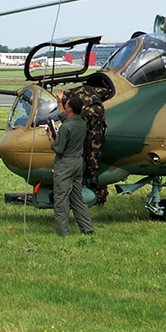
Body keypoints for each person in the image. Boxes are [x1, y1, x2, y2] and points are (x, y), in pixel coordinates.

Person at [48, 96, 94, 236]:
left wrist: (51, 138)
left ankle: (62, 232)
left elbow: (59, 149)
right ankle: (87, 228)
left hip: (65, 164)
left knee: (61, 198)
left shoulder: (65, 127)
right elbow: (64, 117)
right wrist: (59, 101)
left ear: (70, 109)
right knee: (77, 197)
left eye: (66, 105)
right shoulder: (81, 123)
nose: (65, 107)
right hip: (77, 162)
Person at [58, 85, 109, 203]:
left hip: (84, 112)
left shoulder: (69, 93)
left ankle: (83, 177)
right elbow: (107, 93)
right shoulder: (96, 90)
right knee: (95, 145)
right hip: (97, 110)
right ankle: (94, 176)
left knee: (82, 144)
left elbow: (66, 112)